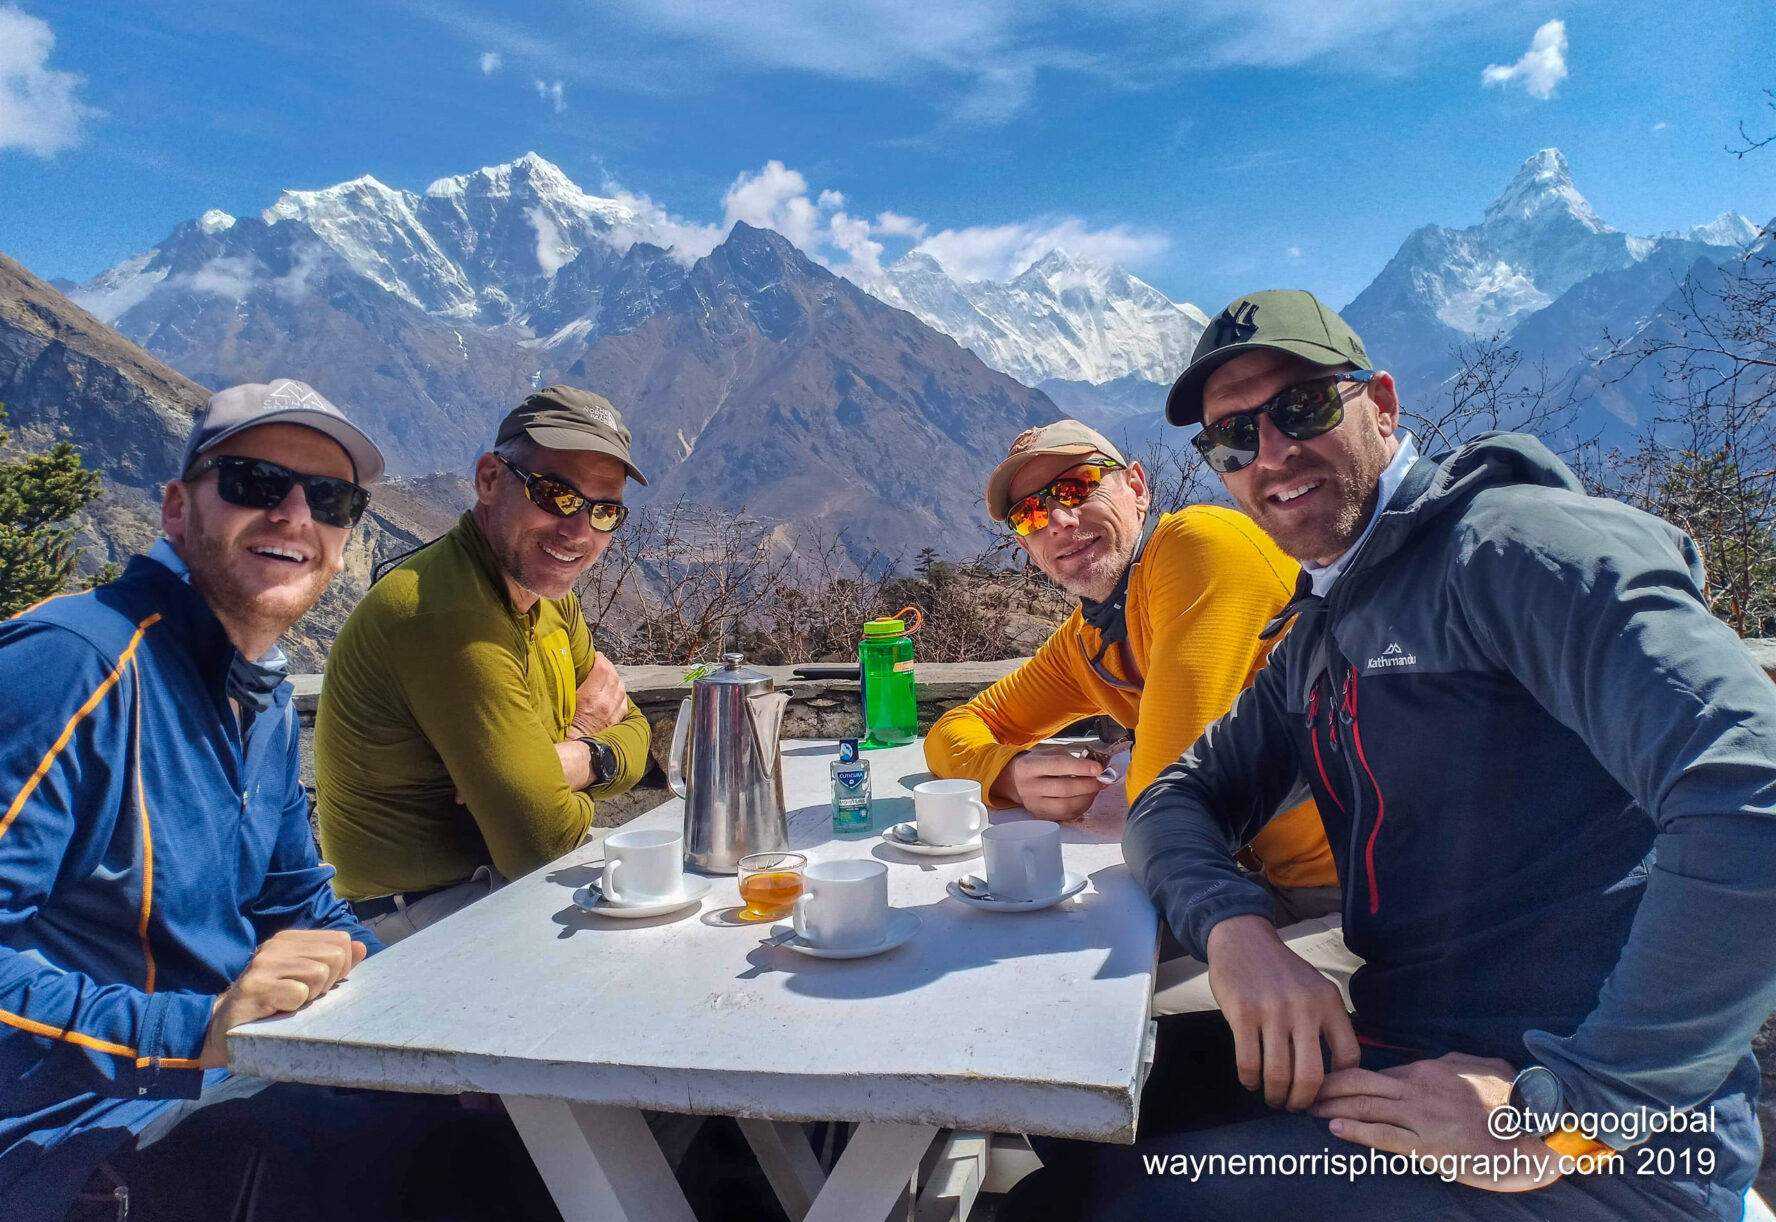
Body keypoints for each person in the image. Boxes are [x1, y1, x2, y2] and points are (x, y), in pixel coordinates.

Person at [999, 291, 1776, 1220]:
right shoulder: (1329, 623)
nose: (1272, 455)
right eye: (1233, 439)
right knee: (1070, 1107)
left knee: (1092, 1206)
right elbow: (1177, 796)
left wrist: (1578, 1113)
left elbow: (1752, 796)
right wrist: (1234, 930)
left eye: (1303, 408)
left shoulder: (1515, 553)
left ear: (1384, 403)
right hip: (1401, 1051)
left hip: (1603, 1154)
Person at [0, 380, 557, 1221]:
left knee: (537, 1119)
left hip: (236, 1089)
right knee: (503, 1176)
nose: (295, 514)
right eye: (254, 483)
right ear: (179, 509)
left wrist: (438, 1033)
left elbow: (300, 905)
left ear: (342, 542)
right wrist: (201, 1031)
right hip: (82, 1149)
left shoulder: (258, 699)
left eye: (329, 499)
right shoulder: (71, 666)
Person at [924, 419, 1353, 1013]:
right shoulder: (1088, 642)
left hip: (1369, 905)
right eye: (1029, 515)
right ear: (1026, 546)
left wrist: (1127, 766)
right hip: (1259, 885)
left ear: (1137, 487)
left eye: (1075, 488)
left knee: (1092, 1017)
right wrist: (1009, 772)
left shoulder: (1201, 544)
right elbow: (952, 732)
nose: (1058, 522)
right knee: (1011, 976)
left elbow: (1165, 794)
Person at [316, 386, 652, 942]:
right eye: (556, 495)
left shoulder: (546, 596)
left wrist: (572, 759)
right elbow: (539, 843)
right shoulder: (446, 614)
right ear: (490, 479)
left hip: (489, 886)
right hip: (421, 917)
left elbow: (641, 733)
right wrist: (592, 732)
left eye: (605, 510)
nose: (579, 531)